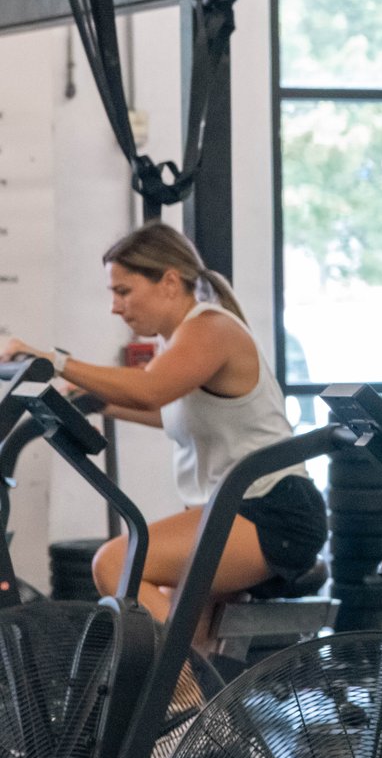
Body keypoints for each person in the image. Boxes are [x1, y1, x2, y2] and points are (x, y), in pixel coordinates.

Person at [3, 224, 326, 624]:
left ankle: (184, 671)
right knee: (189, 630)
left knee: (115, 563)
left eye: (123, 291)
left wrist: (56, 361)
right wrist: (92, 402)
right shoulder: (177, 341)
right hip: (232, 508)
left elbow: (150, 390)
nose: (115, 307)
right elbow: (166, 411)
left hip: (273, 512)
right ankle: (195, 669)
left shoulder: (211, 328)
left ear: (170, 282)